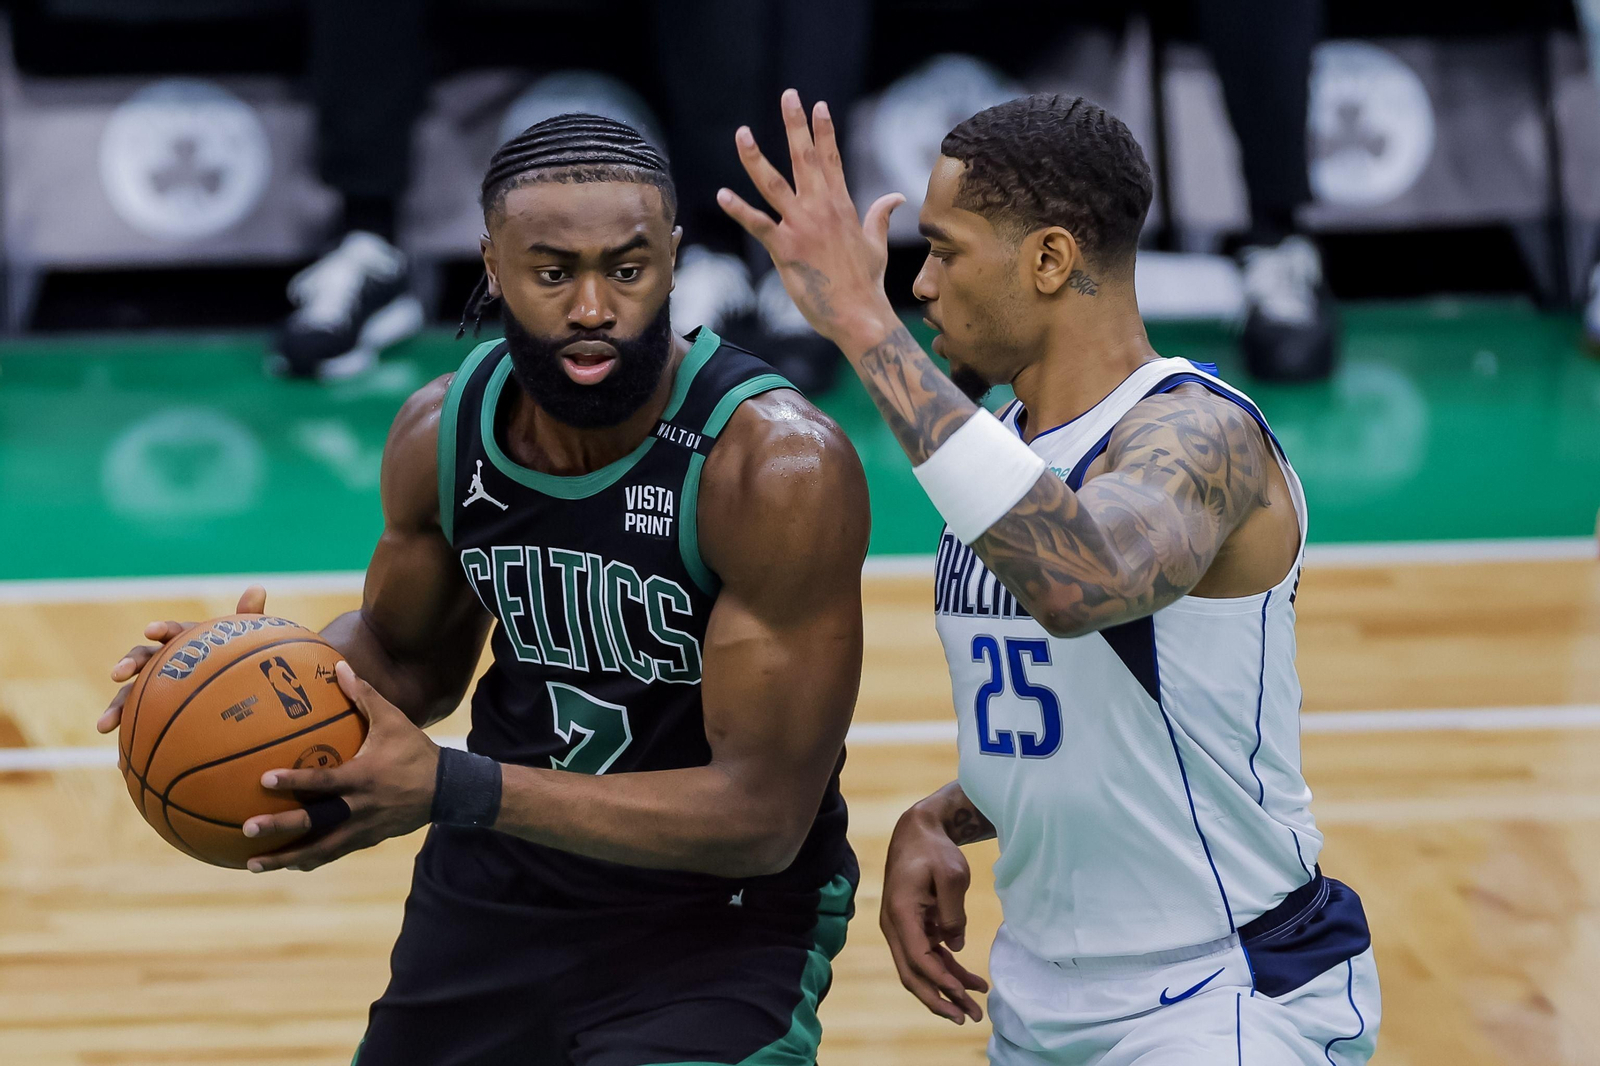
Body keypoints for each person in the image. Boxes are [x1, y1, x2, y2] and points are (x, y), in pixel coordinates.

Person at [102, 114, 871, 1066]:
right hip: (497, 894)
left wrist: (453, 785)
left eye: (627, 270)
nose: (593, 307)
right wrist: (257, 671)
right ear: (492, 265)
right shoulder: (443, 431)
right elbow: (407, 662)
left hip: (714, 924)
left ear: (674, 263)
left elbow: (761, 818)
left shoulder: (773, 468)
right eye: (553, 272)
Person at [719, 90, 1379, 1064]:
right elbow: (1099, 732)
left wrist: (862, 323)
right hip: (1036, 1001)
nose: (922, 285)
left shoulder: (1200, 433)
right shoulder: (996, 451)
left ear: (1049, 259)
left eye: (944, 249)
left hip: (1220, 999)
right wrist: (940, 811)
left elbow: (1085, 580)